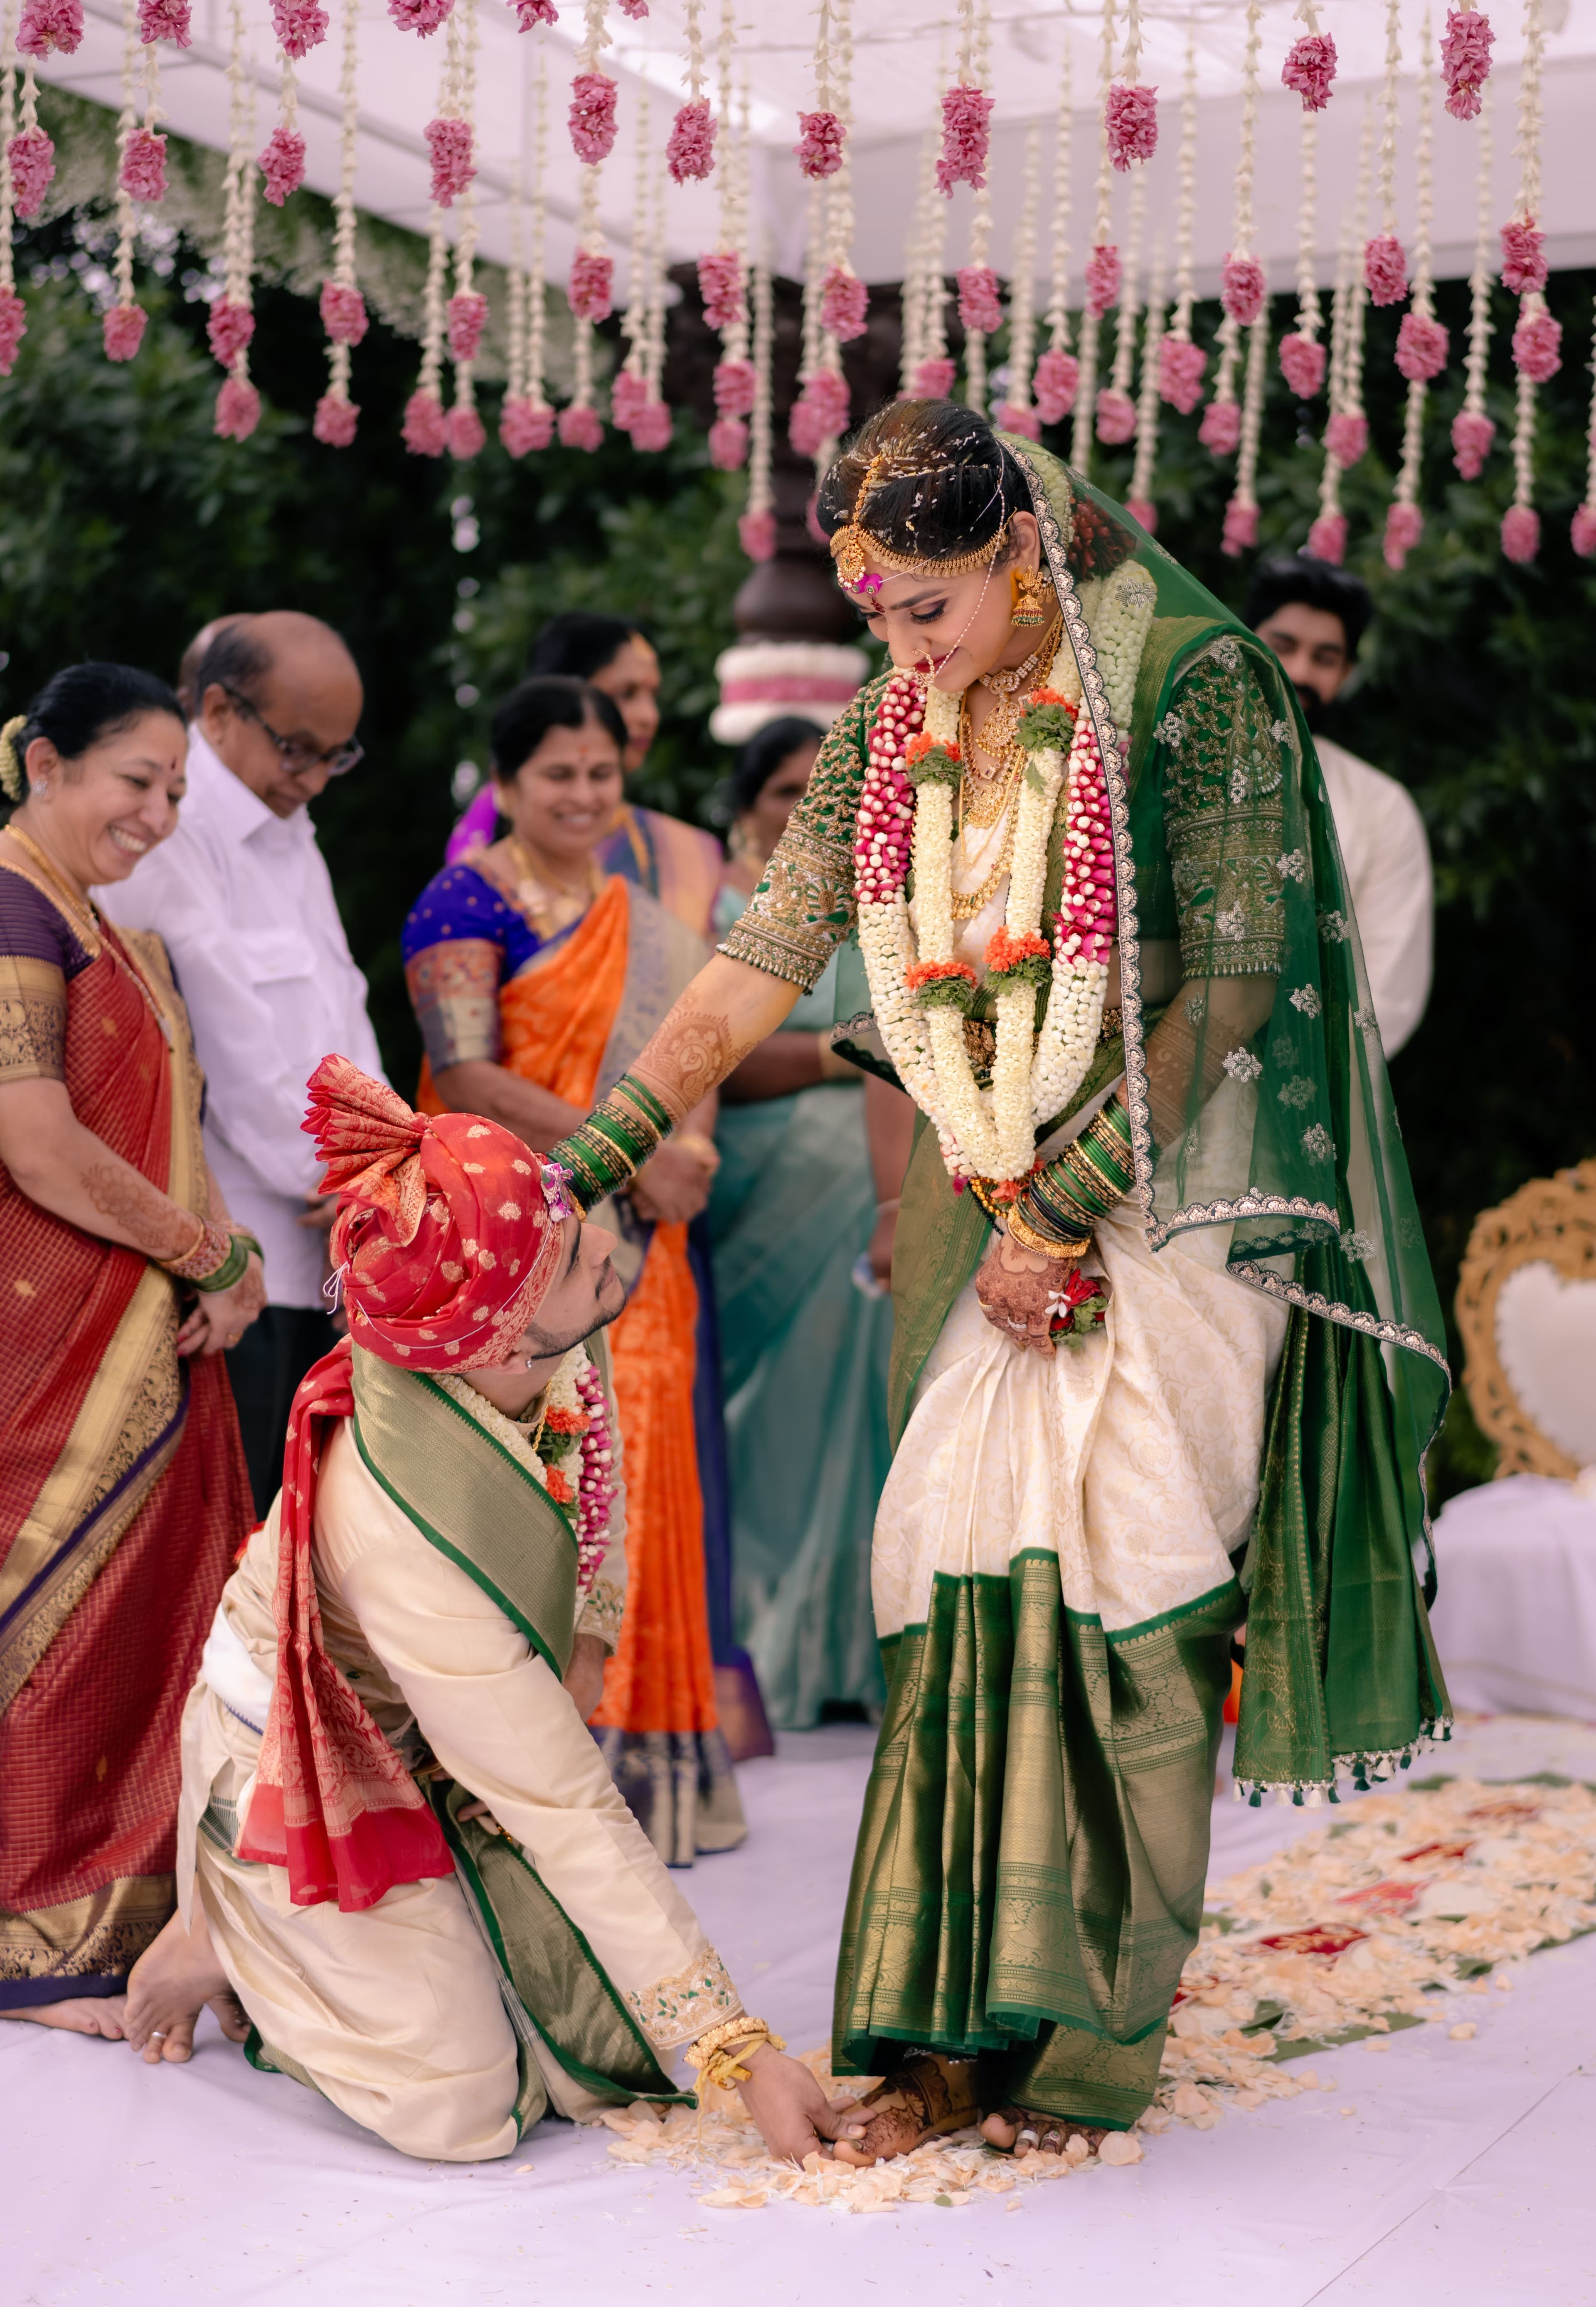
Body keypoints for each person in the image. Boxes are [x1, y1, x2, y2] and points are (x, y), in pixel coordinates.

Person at [543, 403, 1451, 2164]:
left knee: (1123, 1569)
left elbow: (1238, 974)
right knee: (945, 1565)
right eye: (877, 615)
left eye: (927, 608)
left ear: (1020, 549)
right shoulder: (899, 719)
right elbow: (769, 943)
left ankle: (1090, 2043)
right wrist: (601, 1148)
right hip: (983, 1188)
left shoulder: (1193, 686)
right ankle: (941, 2038)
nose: (901, 648)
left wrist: (1071, 1209)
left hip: (1173, 1202)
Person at [121, 1056, 859, 2169]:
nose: (599, 1241)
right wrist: (737, 2049)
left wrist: (586, 1641)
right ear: (507, 1338)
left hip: (440, 1727)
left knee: (581, 2048)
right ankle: (219, 1923)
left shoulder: (506, 1319)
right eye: (565, 1253)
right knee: (462, 2108)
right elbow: (561, 1802)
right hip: (301, 1764)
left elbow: (591, 1470)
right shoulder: (407, 1528)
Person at [403, 676, 744, 1865]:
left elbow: (694, 1059)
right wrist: (638, 1153)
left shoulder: (642, 917)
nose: (585, 793)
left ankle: (650, 1778)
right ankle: (538, 1780)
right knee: (559, 1477)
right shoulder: (463, 900)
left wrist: (689, 1153)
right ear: (506, 785)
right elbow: (469, 1077)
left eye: (602, 772)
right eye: (558, 772)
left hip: (645, 1241)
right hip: (517, 1240)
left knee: (647, 1470)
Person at [0, 665, 260, 2034]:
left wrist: (225, 1255)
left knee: (148, 1624)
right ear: (46, 764)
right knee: (58, 1616)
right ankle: (29, 1946)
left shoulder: (106, 927)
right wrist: (203, 1253)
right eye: (134, 783)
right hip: (44, 1334)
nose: (157, 815)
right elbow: (37, 1144)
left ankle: (134, 1918)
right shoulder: (13, 911)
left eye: (173, 791)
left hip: (146, 1320)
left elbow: (165, 1131)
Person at [99, 612, 383, 1519]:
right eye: (298, 750)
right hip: (229, 1266)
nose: (314, 779)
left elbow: (344, 1012)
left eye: (337, 757)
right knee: (231, 1539)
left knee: (300, 1539)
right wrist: (346, 1177)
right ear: (218, 710)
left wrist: (384, 1169)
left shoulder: (290, 826)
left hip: (328, 1251)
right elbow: (227, 1049)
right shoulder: (172, 830)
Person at [709, 717, 909, 1726]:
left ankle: (847, 1648)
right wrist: (841, 1050)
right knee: (761, 1425)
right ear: (748, 807)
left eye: (827, 789)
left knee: (851, 1402)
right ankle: (762, 1644)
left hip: (864, 1190)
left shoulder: (877, 905)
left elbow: (907, 1045)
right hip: (752, 1188)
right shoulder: (716, 903)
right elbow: (711, 1057)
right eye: (787, 790)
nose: (810, 808)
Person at [1244, 555, 1433, 1056]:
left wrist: (1286, 1075)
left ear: (1346, 673)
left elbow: (1389, 989)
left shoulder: (1382, 807)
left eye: (1325, 659)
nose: (1300, 671)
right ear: (1243, 643)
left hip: (1306, 1079)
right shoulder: (1173, 761)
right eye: (1284, 647)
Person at [448, 612, 724, 941]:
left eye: (653, 696)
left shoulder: (688, 851)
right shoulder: (482, 856)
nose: (650, 716)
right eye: (627, 693)